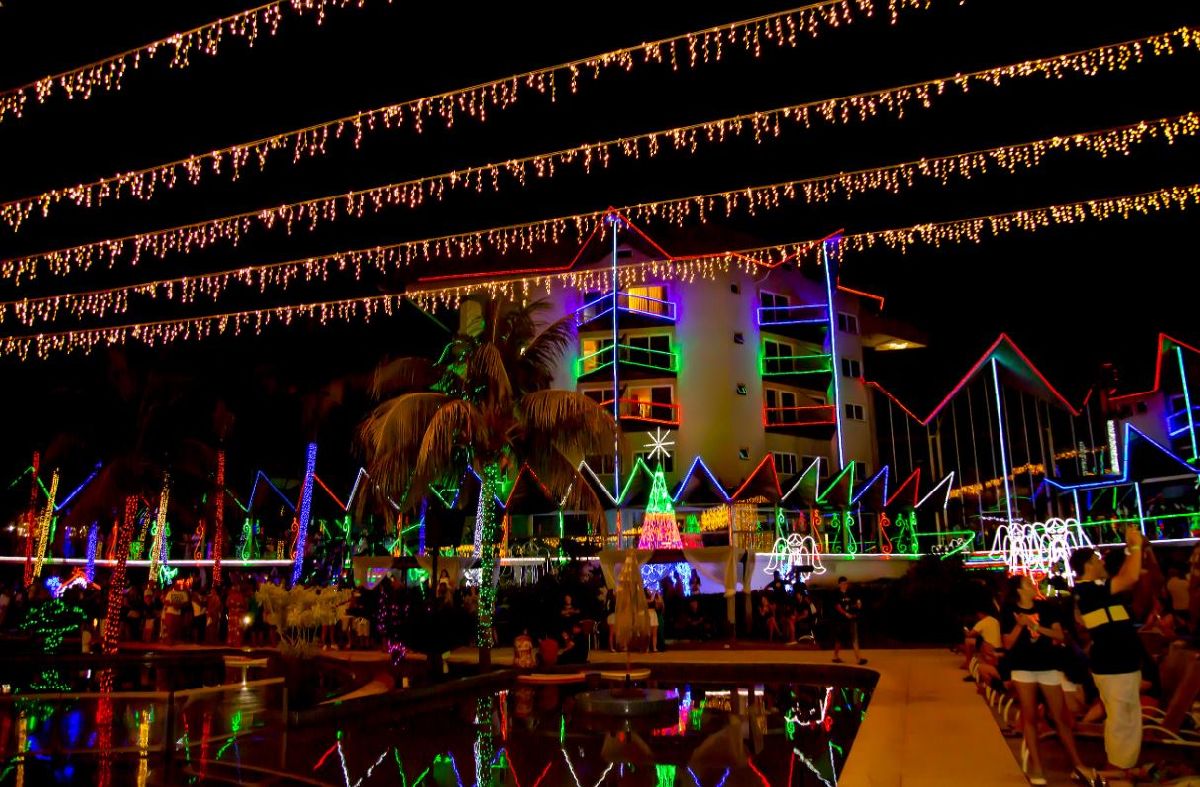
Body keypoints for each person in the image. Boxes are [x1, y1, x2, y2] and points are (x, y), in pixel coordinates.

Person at [1001, 574, 1097, 786]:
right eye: (1027, 583)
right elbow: (1007, 643)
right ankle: (1036, 765)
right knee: (1030, 716)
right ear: (1019, 590)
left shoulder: (1046, 608)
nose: (1032, 585)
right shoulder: (1008, 611)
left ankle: (1077, 763)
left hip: (1048, 665)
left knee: (1060, 715)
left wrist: (1034, 627)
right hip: (1022, 667)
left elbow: (1060, 636)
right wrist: (1020, 625)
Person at [1070, 526, 1147, 781]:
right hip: (1115, 664)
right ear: (1089, 565)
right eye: (1097, 558)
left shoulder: (1094, 588)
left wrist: (1131, 550)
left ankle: (1116, 766)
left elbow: (1126, 575)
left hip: (1118, 662)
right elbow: (1130, 578)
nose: (1102, 561)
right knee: (1122, 719)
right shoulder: (1088, 590)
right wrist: (1135, 546)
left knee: (1123, 717)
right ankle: (1115, 771)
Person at [831, 576, 866, 665]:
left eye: (846, 584)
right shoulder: (836, 594)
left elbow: (854, 603)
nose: (845, 585)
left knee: (854, 638)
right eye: (843, 584)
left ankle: (859, 658)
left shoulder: (850, 593)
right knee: (840, 640)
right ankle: (835, 656)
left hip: (851, 618)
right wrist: (845, 614)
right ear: (839, 584)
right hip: (841, 620)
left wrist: (858, 604)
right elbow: (837, 606)